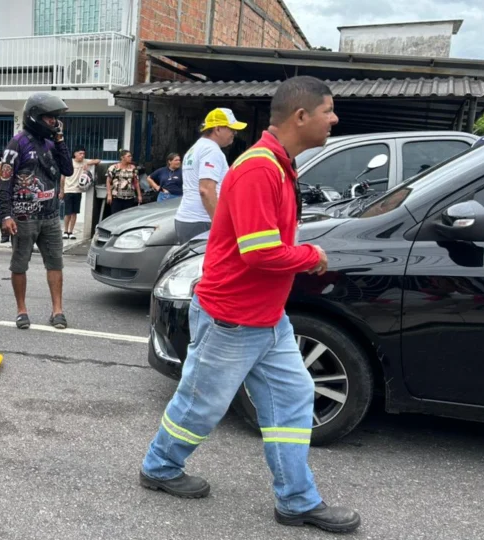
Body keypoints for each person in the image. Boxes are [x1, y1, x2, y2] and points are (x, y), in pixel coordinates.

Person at [139, 76, 361, 534]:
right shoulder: (260, 168)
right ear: (301, 116)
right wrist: (311, 256)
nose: (334, 119)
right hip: (233, 319)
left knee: (293, 399)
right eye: (328, 110)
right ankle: (159, 466)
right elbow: (260, 252)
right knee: (201, 406)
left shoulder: (278, 165)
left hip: (266, 318)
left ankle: (296, 501)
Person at [0, 92, 73, 330]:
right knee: (19, 265)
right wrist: (5, 215)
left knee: (55, 263)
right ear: (35, 117)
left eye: (55, 118)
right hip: (23, 218)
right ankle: (22, 311)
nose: (54, 122)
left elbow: (68, 170)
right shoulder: (17, 144)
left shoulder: (51, 143)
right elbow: (4, 182)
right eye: (50, 117)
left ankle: (57, 311)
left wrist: (60, 140)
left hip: (50, 216)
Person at [175, 108, 246, 243]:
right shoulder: (212, 151)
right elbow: (206, 190)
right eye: (231, 129)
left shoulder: (195, 148)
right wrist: (220, 224)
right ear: (217, 129)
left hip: (188, 218)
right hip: (202, 221)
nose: (234, 133)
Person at [60, 145, 101, 240]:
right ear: (75, 154)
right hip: (68, 190)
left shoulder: (84, 162)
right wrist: (62, 191)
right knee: (68, 213)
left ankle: (71, 232)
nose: (82, 155)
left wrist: (88, 163)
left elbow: (98, 161)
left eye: (83, 154)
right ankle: (65, 231)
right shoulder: (69, 162)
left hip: (78, 191)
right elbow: (62, 178)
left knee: (74, 213)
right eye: (80, 153)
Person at [106, 150, 143, 214]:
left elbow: (136, 182)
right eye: (128, 156)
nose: (131, 157)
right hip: (116, 197)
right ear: (122, 157)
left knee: (127, 216)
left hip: (129, 197)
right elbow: (108, 182)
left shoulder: (133, 168)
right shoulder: (114, 168)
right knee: (116, 215)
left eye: (131, 156)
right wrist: (109, 195)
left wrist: (139, 195)